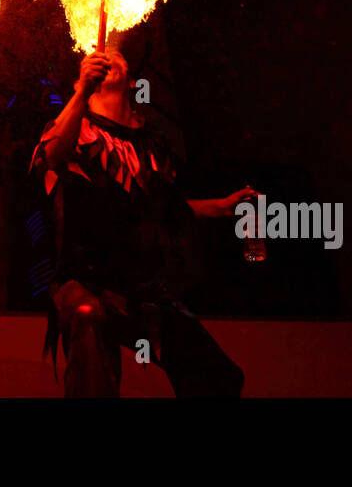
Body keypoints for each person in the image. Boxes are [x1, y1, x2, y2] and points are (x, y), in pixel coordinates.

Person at [30, 45, 255, 397]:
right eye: (97, 58)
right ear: (82, 80)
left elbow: (169, 210)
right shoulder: (75, 128)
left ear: (132, 82)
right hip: (81, 282)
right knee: (89, 313)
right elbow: (54, 155)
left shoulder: (152, 144)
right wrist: (82, 94)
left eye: (118, 57)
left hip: (141, 289)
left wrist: (223, 207)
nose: (108, 56)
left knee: (220, 376)